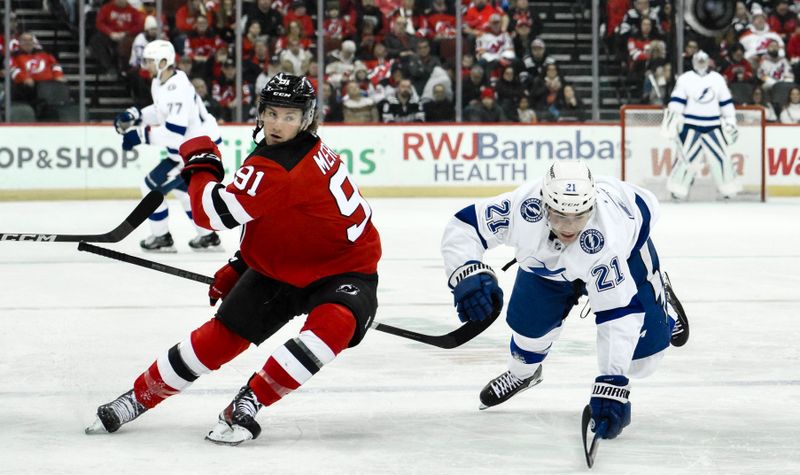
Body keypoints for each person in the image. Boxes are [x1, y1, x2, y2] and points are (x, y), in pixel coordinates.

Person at [86, 73, 382, 446]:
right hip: (286, 266)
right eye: (272, 113)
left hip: (344, 269)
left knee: (332, 327)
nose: (277, 124)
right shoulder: (285, 153)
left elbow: (210, 215)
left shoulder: (279, 166)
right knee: (220, 338)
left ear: (306, 119)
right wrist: (244, 263)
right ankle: (137, 398)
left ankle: (251, 400)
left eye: (289, 117)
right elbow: (278, 215)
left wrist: (202, 165)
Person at [440, 159, 689, 442]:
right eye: (559, 216)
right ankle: (522, 374)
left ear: (592, 208)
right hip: (549, 264)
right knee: (528, 329)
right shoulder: (523, 208)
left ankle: (664, 308)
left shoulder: (607, 237)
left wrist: (613, 384)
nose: (569, 228)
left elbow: (619, 313)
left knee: (642, 362)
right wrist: (467, 273)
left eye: (579, 216)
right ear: (543, 205)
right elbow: (465, 226)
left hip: (628, 253)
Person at [112, 39, 223, 252]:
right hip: (188, 151)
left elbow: (174, 132)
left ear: (163, 61)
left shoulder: (177, 87)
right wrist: (135, 115)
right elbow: (162, 109)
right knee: (184, 191)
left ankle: (161, 237)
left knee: (150, 186)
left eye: (149, 61)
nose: (146, 65)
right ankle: (207, 236)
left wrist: (139, 135)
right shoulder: (163, 81)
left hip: (198, 152)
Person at [661, 50, 740, 200]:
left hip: (713, 124)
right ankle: (677, 189)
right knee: (687, 159)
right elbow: (677, 101)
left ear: (708, 61)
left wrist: (730, 120)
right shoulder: (685, 78)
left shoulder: (717, 79)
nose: (702, 63)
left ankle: (728, 189)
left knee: (721, 158)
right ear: (694, 61)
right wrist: (672, 120)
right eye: (699, 60)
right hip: (690, 125)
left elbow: (725, 102)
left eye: (704, 60)